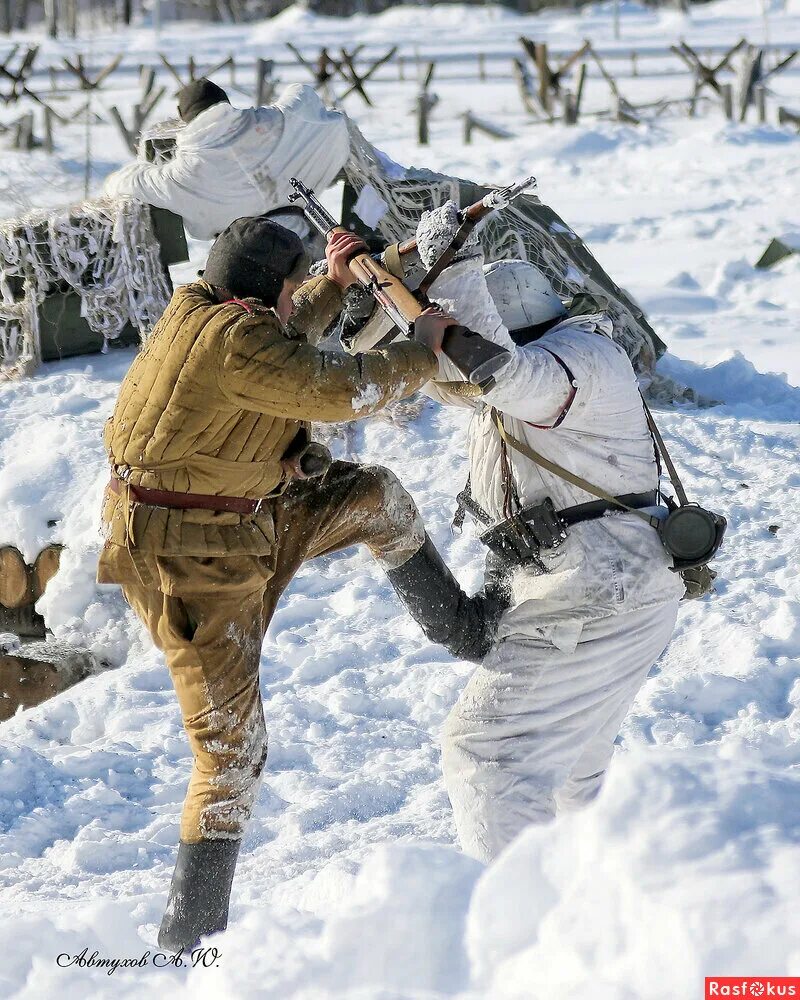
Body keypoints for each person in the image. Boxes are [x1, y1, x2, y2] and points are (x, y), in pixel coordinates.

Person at [96, 215, 501, 950]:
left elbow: (282, 336)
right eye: (293, 287)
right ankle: (188, 941)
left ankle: (464, 629)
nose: (295, 303)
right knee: (231, 754)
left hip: (240, 518)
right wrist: (425, 347)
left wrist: (337, 281)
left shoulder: (204, 309)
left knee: (376, 496)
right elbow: (342, 389)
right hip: (188, 561)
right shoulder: (234, 341)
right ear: (265, 292)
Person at [410, 203, 684, 864]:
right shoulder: (524, 365)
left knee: (488, 756)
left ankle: (520, 930)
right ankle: (591, 911)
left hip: (596, 594)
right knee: (567, 778)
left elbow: (505, 374)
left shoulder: (579, 358)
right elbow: (455, 359)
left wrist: (462, 270)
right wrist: (412, 283)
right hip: (593, 590)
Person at [102, 78, 348, 251]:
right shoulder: (276, 121)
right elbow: (302, 94)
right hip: (306, 241)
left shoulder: (181, 173)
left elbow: (123, 182)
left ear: (183, 118)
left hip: (242, 258)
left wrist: (145, 167)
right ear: (226, 103)